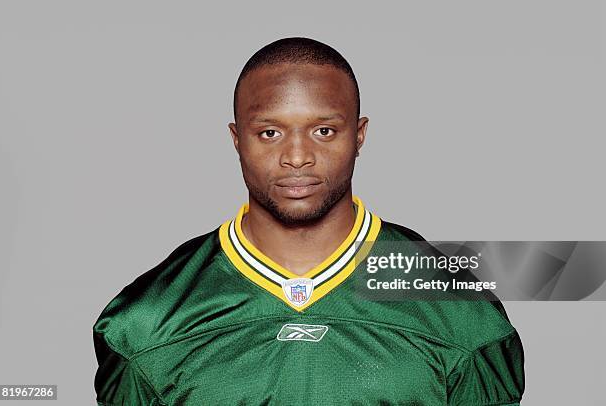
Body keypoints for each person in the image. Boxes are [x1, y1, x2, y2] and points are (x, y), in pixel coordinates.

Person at [93, 37, 525, 405]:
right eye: (270, 133)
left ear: (359, 136)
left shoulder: (462, 317)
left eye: (323, 131)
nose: (297, 157)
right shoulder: (146, 323)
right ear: (237, 139)